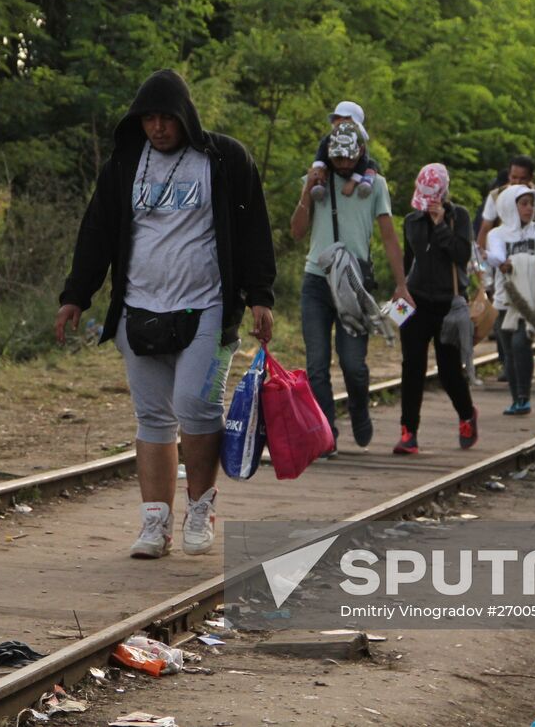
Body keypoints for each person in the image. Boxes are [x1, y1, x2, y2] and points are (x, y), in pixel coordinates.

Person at [56, 69, 275, 559]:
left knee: (195, 408)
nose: (157, 127)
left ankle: (201, 507)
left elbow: (253, 229)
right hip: (139, 309)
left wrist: (261, 294)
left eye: (166, 118)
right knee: (153, 417)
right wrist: (76, 294)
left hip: (208, 309)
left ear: (186, 117)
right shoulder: (124, 164)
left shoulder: (224, 159)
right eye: (149, 118)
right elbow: (96, 231)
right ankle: (155, 524)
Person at [292, 124, 410, 452]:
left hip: (354, 284)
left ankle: (359, 406)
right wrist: (306, 193)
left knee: (353, 364)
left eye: (349, 158)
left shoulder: (375, 186)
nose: (343, 165)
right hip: (316, 280)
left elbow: (388, 236)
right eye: (337, 159)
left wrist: (401, 285)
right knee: (316, 364)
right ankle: (326, 435)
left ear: (360, 153)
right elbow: (298, 232)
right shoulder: (316, 182)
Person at [397, 163, 477, 455]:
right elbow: (408, 261)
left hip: (448, 305)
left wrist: (441, 225)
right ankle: (409, 431)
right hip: (416, 301)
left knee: (448, 370)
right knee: (412, 367)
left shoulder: (461, 218)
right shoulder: (411, 220)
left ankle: (467, 414)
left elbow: (461, 254)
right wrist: (401, 292)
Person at [486, 185, 535, 414]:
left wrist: (514, 262)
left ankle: (525, 396)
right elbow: (495, 255)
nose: (528, 209)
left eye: (531, 204)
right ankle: (517, 399)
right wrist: (503, 261)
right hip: (504, 300)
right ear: (510, 206)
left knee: (520, 343)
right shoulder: (497, 234)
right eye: (523, 204)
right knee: (508, 353)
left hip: (530, 301)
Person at [475, 154, 535, 251]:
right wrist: (481, 257)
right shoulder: (495, 197)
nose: (518, 182)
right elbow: (485, 229)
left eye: (523, 178)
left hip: (534, 253)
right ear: (509, 176)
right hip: (501, 252)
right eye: (514, 177)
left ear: (531, 177)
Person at [308, 101, 379, 201]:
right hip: (331, 166)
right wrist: (318, 167)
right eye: (338, 118)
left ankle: (367, 181)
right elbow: (321, 153)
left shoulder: (358, 140)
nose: (341, 121)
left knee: (371, 164)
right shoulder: (330, 138)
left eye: (346, 119)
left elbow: (364, 160)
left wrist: (353, 181)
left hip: (356, 170)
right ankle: (320, 186)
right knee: (324, 169)